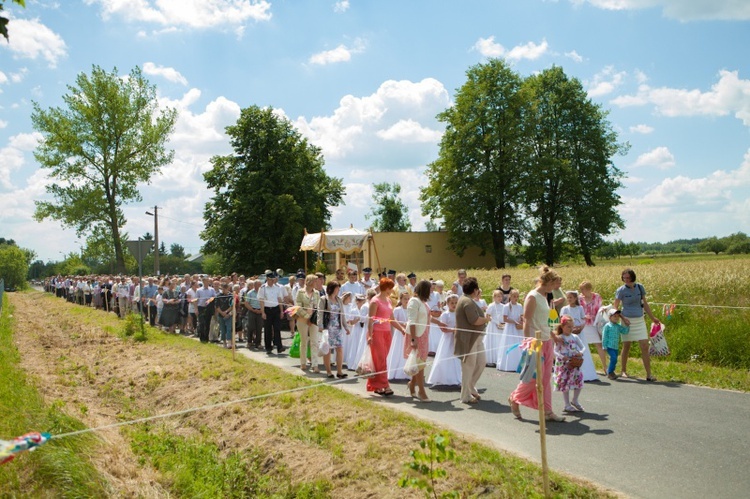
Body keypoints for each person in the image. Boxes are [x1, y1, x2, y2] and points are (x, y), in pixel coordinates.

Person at [508, 266, 566, 422]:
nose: (555, 288)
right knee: (534, 377)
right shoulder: (532, 296)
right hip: (535, 342)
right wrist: (528, 341)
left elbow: (543, 321)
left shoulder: (545, 297)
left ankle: (548, 411)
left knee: (546, 378)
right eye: (554, 284)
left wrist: (553, 335)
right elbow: (527, 320)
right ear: (548, 282)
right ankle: (515, 398)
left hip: (547, 341)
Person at [613, 268, 660, 382]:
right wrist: (623, 318)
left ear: (633, 277)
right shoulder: (621, 290)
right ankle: (623, 370)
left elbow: (645, 303)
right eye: (624, 278)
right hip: (627, 320)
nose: (626, 280)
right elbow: (615, 307)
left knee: (644, 345)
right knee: (627, 345)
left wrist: (652, 318)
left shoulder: (640, 287)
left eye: (628, 278)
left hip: (639, 319)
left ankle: (649, 374)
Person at [454, 277, 491, 405]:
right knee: (468, 367)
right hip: (468, 339)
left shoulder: (467, 300)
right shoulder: (467, 302)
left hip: (476, 339)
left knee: (481, 362)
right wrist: (486, 319)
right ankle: (465, 396)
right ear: (475, 290)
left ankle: (471, 386)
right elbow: (474, 320)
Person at [367, 278, 406, 396]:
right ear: (386, 288)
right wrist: (370, 335)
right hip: (376, 333)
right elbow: (371, 320)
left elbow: (391, 319)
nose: (392, 290)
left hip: (387, 333)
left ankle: (376, 385)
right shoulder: (375, 301)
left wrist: (402, 329)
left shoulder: (388, 300)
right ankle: (385, 385)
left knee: (382, 360)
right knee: (381, 360)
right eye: (391, 288)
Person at [405, 280, 436, 402]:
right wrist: (413, 339)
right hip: (417, 335)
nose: (431, 292)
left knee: (420, 362)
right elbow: (411, 321)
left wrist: (440, 323)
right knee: (420, 364)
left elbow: (428, 317)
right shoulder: (414, 301)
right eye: (429, 290)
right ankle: (421, 391)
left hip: (424, 334)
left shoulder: (423, 302)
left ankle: (412, 384)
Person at [561, 290, 597, 381]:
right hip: (569, 332)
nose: (569, 299)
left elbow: (582, 319)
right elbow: (562, 321)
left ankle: (584, 373)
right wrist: (570, 329)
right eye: (568, 297)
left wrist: (581, 327)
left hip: (579, 332)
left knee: (580, 349)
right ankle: (570, 373)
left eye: (571, 297)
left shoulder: (580, 308)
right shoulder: (565, 309)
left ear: (575, 298)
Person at [317, 281, 350, 378]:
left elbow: (342, 315)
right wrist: (320, 325)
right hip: (328, 328)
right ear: (332, 288)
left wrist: (346, 327)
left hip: (337, 328)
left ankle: (339, 371)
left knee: (339, 349)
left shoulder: (339, 300)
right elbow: (320, 313)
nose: (338, 290)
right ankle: (329, 371)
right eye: (337, 288)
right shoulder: (324, 299)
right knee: (327, 350)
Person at [427, 294, 461, 387]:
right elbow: (443, 329)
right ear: (447, 303)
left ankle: (455, 378)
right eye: (452, 303)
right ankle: (441, 378)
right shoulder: (445, 314)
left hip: (456, 338)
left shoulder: (459, 313)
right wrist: (453, 330)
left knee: (456, 358)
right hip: (447, 339)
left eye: (456, 303)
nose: (454, 305)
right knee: (445, 356)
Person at [553, 315, 586, 412]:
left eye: (572, 327)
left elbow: (583, 347)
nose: (571, 329)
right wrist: (563, 357)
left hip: (575, 363)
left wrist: (581, 353)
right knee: (565, 383)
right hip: (564, 364)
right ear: (562, 327)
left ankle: (575, 400)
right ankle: (567, 404)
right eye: (568, 327)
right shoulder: (560, 338)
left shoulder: (575, 337)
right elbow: (554, 351)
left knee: (578, 381)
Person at [578, 280, 607, 373]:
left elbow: (600, 307)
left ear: (589, 289)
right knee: (581, 345)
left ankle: (605, 367)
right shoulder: (579, 298)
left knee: (598, 344)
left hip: (594, 324)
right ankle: (581, 367)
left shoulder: (597, 296)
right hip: (584, 324)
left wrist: (603, 310)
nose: (582, 291)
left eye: (583, 289)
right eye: (581, 289)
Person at [296, 275, 321, 372]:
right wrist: (306, 317)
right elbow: (298, 306)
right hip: (302, 319)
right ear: (310, 282)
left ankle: (315, 365)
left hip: (313, 320)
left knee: (314, 342)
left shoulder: (317, 293)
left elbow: (318, 307)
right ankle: (303, 363)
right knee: (304, 341)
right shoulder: (300, 292)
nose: (317, 283)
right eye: (315, 281)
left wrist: (312, 318)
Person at [259, 272, 286, 354]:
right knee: (268, 329)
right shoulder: (263, 288)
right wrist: (263, 312)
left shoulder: (277, 287)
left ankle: (279, 346)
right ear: (267, 279)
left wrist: (281, 311)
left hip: (276, 309)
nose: (272, 281)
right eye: (271, 279)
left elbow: (279, 299)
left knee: (277, 328)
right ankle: (268, 347)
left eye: (273, 279)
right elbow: (261, 301)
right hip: (267, 309)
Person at [498, 289, 523, 371]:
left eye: (517, 296)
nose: (516, 298)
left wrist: (521, 321)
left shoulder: (519, 306)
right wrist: (514, 322)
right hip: (510, 328)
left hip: (517, 328)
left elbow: (521, 316)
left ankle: (518, 363)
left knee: (518, 344)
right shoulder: (506, 306)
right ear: (510, 296)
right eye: (514, 296)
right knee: (510, 343)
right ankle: (509, 364)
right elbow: (505, 319)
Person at [386, 292, 410, 380]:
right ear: (401, 300)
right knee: (398, 351)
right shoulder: (397, 310)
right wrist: (402, 327)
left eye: (408, 299)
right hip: (399, 334)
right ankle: (395, 372)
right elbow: (392, 321)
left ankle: (406, 372)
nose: (407, 301)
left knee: (407, 352)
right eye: (405, 299)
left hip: (409, 333)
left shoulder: (411, 309)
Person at [602, 309, 630, 380]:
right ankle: (610, 372)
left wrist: (627, 325)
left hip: (615, 346)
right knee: (613, 358)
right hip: (609, 346)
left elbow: (625, 332)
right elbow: (604, 336)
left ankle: (611, 371)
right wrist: (604, 346)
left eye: (617, 316)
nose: (616, 318)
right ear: (610, 317)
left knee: (615, 359)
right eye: (614, 316)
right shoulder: (607, 326)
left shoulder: (618, 326)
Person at [484, 290, 504, 367]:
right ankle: (491, 359)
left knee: (499, 341)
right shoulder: (491, 305)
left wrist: (502, 323)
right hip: (493, 326)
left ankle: (498, 358)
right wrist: (495, 322)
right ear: (494, 297)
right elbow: (487, 316)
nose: (500, 298)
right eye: (498, 296)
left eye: (501, 296)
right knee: (492, 341)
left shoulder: (503, 306)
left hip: (500, 326)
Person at [243, 280, 263, 349]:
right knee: (250, 327)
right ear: (254, 285)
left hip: (260, 311)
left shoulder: (263, 293)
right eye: (258, 285)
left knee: (259, 328)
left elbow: (265, 302)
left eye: (260, 284)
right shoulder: (250, 293)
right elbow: (246, 303)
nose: (260, 286)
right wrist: (252, 309)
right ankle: (249, 342)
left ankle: (258, 343)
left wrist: (261, 310)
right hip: (252, 311)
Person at [215, 283, 234, 348]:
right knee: (222, 329)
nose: (224, 290)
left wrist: (226, 312)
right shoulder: (218, 296)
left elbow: (232, 305)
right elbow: (217, 306)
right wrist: (221, 312)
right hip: (221, 315)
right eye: (222, 289)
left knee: (229, 328)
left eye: (225, 288)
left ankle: (229, 342)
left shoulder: (231, 295)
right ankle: (224, 342)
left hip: (229, 314)